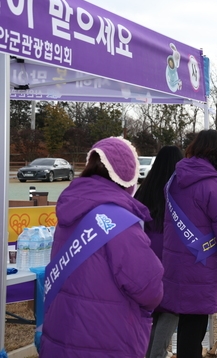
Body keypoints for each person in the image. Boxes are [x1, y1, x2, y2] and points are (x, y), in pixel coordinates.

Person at [40, 136, 164, 358]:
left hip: (63, 332)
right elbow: (149, 289)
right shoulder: (119, 219)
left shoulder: (71, 207)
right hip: (106, 337)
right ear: (128, 176)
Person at [161, 130, 217, 358]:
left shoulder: (175, 178)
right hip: (200, 261)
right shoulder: (213, 184)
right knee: (194, 327)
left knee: (186, 322)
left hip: (174, 259)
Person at [135, 146, 184, 358]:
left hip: (145, 254)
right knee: (172, 308)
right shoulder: (179, 189)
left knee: (150, 310)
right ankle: (158, 353)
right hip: (172, 253)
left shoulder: (144, 189)